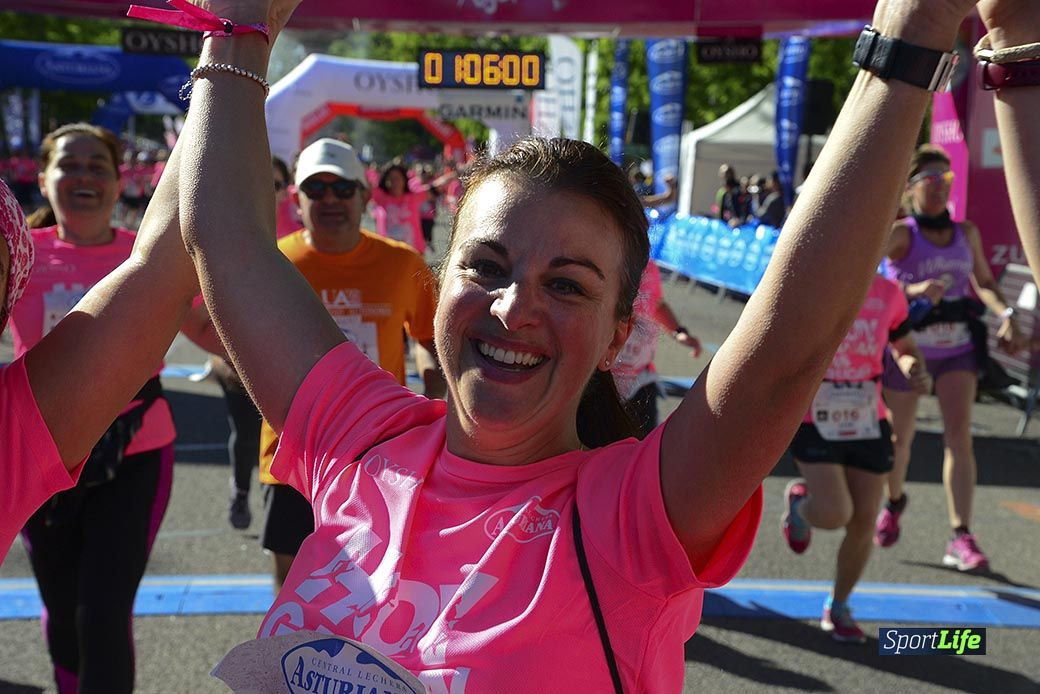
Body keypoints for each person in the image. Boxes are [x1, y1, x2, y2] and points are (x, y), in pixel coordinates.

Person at [169, 0, 1012, 688]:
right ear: (439, 285)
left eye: (566, 284)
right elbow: (227, 240)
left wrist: (913, 32)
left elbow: (781, 357)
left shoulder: (628, 517)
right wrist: (235, 23)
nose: (512, 307)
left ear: (619, 334)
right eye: (486, 266)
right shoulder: (363, 438)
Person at [0, 123, 198, 690]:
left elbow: (215, 328)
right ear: (42, 180)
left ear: (119, 184)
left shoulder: (144, 260)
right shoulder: (18, 253)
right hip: (36, 461)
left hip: (135, 452)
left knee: (103, 613)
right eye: (70, 164)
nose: (83, 176)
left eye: (97, 166)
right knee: (63, 612)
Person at [256, 137, 445, 589]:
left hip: (381, 451)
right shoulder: (271, 263)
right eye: (315, 189)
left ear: (364, 195)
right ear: (296, 199)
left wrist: (433, 391)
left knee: (376, 584)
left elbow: (429, 337)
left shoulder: (401, 264)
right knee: (294, 582)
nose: (329, 200)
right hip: (292, 451)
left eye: (342, 189)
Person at [878, 144, 1025, 571]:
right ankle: (894, 500)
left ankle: (961, 534)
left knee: (959, 439)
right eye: (930, 181)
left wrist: (1007, 314)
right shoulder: (902, 234)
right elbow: (867, 283)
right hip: (909, 351)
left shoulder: (967, 232)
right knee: (898, 441)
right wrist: (912, 292)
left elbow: (984, 282)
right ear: (910, 189)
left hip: (958, 350)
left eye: (946, 180)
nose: (940, 189)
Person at [782, 273, 930, 643]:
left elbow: (904, 344)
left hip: (867, 416)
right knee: (834, 512)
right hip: (814, 415)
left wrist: (911, 365)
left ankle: (840, 604)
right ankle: (801, 509)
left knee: (864, 519)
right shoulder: (810, 282)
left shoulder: (889, 294)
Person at [613, 259, 702, 437]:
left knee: (643, 446)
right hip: (603, 379)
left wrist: (678, 332)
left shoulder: (648, 266)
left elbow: (657, 303)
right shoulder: (607, 261)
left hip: (640, 379)